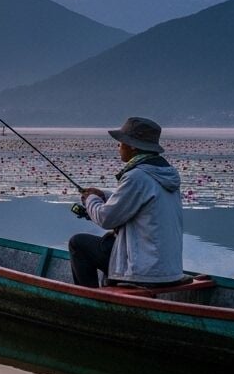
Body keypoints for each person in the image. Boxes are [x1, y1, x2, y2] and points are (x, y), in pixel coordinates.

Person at [69, 117, 184, 288]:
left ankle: (91, 300)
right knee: (109, 244)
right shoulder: (163, 174)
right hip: (169, 269)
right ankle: (109, 287)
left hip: (145, 270)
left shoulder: (137, 176)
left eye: (121, 142)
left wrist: (90, 199)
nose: (119, 147)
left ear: (132, 145)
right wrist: (103, 195)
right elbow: (137, 201)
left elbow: (106, 219)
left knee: (78, 243)